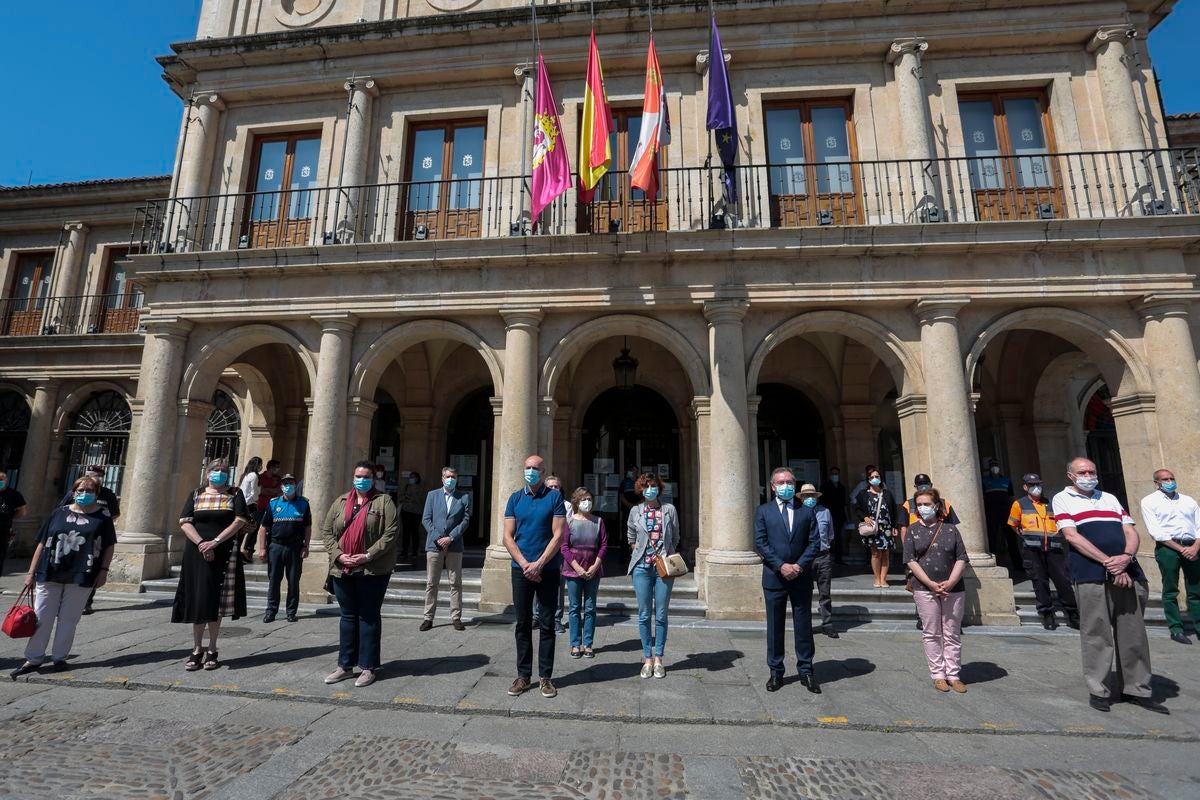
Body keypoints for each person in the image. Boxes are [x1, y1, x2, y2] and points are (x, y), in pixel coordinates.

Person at [1052, 457, 1166, 714]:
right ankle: (1099, 689)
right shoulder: (1062, 499)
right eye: (1083, 472)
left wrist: (1125, 558)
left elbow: (1131, 532)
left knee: (1133, 632)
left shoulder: (1110, 498)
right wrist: (1108, 562)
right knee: (1096, 632)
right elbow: (1072, 536)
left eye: (1092, 471)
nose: (1089, 475)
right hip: (1091, 573)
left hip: (1128, 570)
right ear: (1071, 475)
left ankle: (1137, 688)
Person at [9, 476, 115, 679]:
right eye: (80, 489)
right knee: (41, 617)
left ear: (96, 493)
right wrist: (30, 572)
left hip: (82, 572)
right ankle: (33, 658)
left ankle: (59, 657)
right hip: (49, 570)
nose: (84, 493)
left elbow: (109, 545)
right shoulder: (58, 513)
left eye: (89, 490)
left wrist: (104, 571)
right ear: (73, 492)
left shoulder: (103, 517)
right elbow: (42, 542)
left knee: (69, 618)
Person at [321, 461, 399, 688]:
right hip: (343, 568)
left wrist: (367, 555)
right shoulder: (341, 501)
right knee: (347, 618)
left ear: (373, 479)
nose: (361, 480)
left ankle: (368, 667)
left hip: (372, 570)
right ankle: (344, 666)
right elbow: (326, 531)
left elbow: (391, 533)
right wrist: (338, 554)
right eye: (358, 475)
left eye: (366, 476)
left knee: (368, 617)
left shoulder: (384, 502)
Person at [172, 458, 249, 672]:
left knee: (215, 601)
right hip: (197, 553)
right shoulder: (196, 494)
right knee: (198, 600)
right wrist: (201, 544)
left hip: (223, 552)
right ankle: (197, 649)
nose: (219, 473)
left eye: (224, 470)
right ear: (207, 473)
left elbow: (240, 520)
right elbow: (185, 521)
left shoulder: (235, 494)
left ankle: (213, 648)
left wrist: (215, 542)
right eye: (215, 470)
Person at [503, 454, 565, 698]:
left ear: (543, 471)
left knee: (548, 624)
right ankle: (523, 675)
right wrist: (525, 564)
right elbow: (508, 536)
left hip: (547, 570)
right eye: (527, 467)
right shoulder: (515, 498)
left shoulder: (554, 497)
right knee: (523, 623)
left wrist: (539, 564)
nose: (530, 471)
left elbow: (558, 535)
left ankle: (545, 678)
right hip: (521, 569)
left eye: (535, 468)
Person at [755, 468, 821, 693]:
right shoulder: (763, 511)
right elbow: (761, 542)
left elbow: (815, 543)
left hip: (800, 577)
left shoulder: (806, 512)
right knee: (775, 626)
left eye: (790, 482)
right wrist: (780, 566)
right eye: (781, 482)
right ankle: (776, 671)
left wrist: (799, 566)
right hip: (775, 577)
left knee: (804, 625)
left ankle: (806, 670)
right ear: (773, 486)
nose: (786, 485)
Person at [904, 487, 969, 693]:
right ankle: (938, 674)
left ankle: (953, 674)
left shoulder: (951, 529)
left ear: (937, 506)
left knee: (951, 632)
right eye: (920, 505)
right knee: (931, 632)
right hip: (924, 587)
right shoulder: (913, 530)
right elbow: (910, 560)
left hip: (953, 587)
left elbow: (961, 557)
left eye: (927, 504)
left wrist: (950, 581)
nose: (923, 508)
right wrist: (931, 584)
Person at [627, 471, 680, 680]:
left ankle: (659, 658)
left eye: (653, 485)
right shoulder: (635, 511)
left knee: (661, 614)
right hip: (641, 567)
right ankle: (647, 658)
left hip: (663, 568)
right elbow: (631, 534)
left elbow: (675, 536)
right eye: (646, 486)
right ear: (641, 489)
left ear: (659, 488)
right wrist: (637, 551)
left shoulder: (669, 510)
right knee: (643, 614)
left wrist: (665, 556)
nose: (650, 489)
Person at [1008, 473, 1078, 631]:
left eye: (1038, 484)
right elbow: (1013, 524)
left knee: (1063, 581)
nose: (1036, 488)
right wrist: (1024, 536)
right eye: (1032, 485)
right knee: (1039, 582)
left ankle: (1073, 613)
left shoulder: (1052, 503)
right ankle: (1046, 614)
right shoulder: (1019, 504)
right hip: (1033, 550)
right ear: (1025, 487)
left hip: (1054, 549)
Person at [1139, 468, 1200, 645]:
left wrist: (1195, 546)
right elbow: (1156, 531)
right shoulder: (1149, 502)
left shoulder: (1188, 500)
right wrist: (1181, 549)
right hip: (1169, 548)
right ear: (1156, 483)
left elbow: (1198, 524)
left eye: (1171, 478)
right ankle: (1176, 628)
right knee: (1171, 588)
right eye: (1164, 479)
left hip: (1192, 545)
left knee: (1196, 588)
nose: (1169, 481)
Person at [57, 465, 120, 614]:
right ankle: (62, 599)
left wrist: (99, 523)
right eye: (90, 474)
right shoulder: (73, 493)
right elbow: (61, 510)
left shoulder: (107, 494)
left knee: (91, 568)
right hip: (71, 538)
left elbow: (115, 514)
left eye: (96, 475)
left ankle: (86, 602)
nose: (93, 477)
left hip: (95, 539)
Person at [419, 466, 471, 632]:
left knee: (455, 583)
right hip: (434, 545)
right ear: (442, 478)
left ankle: (456, 617)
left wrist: (451, 537)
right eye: (448, 476)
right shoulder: (432, 495)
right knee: (432, 583)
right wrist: (438, 538)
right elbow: (426, 519)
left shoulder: (464, 497)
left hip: (454, 545)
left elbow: (466, 519)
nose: (451, 479)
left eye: (454, 477)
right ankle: (428, 617)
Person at [254, 473, 311, 624]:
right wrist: (262, 548)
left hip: (295, 547)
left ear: (295, 485)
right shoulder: (273, 503)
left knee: (293, 581)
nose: (288, 486)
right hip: (276, 546)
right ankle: (271, 611)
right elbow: (263, 528)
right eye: (285, 483)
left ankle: (291, 612)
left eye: (291, 483)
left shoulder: (304, 504)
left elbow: (307, 527)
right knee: (274, 581)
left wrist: (306, 545)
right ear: (281, 486)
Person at [561, 486, 607, 658]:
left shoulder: (598, 521)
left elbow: (603, 545)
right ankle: (575, 643)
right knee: (574, 608)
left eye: (589, 499)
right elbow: (564, 547)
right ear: (576, 502)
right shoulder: (569, 521)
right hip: (573, 569)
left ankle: (588, 643)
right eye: (583, 499)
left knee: (590, 608)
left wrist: (595, 566)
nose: (586, 502)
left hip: (593, 568)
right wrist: (578, 568)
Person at [799, 483, 837, 638]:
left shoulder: (825, 512)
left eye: (812, 496)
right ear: (801, 498)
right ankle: (804, 624)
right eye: (806, 496)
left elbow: (830, 534)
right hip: (805, 558)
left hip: (823, 556)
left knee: (825, 593)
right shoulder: (796, 513)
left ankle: (827, 623)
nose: (810, 498)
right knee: (804, 593)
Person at [853, 467, 898, 587]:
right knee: (875, 553)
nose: (874, 479)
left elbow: (893, 510)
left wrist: (894, 526)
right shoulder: (863, 494)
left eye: (877, 477)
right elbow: (857, 509)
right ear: (868, 479)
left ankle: (884, 578)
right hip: (872, 527)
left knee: (885, 553)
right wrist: (864, 517)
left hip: (886, 527)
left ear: (880, 478)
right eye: (872, 477)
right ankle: (877, 578)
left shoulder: (887, 493)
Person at [540, 474, 568, 634]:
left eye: (556, 487)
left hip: (560, 552)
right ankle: (537, 616)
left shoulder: (568, 506)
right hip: (541, 549)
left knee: (558, 586)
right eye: (550, 487)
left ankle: (556, 619)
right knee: (536, 581)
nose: (553, 489)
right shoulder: (539, 503)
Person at [898, 473, 960, 542]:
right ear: (915, 487)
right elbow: (903, 529)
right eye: (919, 505)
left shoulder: (944, 503)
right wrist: (906, 548)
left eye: (927, 504)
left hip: (941, 540)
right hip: (917, 541)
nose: (923, 487)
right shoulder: (908, 504)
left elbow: (952, 527)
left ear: (931, 485)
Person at [982, 458, 1016, 570]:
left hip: (1006, 512)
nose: (994, 467)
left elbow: (1011, 496)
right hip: (991, 512)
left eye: (996, 465)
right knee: (992, 537)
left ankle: (1017, 563)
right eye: (992, 465)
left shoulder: (1006, 480)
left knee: (1011, 538)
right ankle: (994, 562)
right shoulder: (985, 481)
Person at [0, 470, 29, 575]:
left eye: (1, 480)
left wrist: (10, 517)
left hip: (3, 530)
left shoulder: (14, 494)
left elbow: (22, 511)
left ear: (6, 481)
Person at [818, 467, 847, 565]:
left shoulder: (842, 487)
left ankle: (838, 558)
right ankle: (827, 557)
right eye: (833, 474)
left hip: (839, 516)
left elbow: (844, 503)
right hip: (828, 515)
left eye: (837, 474)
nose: (835, 476)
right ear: (830, 475)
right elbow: (822, 501)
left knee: (839, 538)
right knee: (827, 537)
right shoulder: (825, 487)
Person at [238, 457, 263, 562]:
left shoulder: (246, 475)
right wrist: (256, 499)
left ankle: (242, 550)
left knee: (243, 528)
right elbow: (253, 492)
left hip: (244, 503)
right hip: (250, 504)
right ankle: (247, 549)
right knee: (253, 527)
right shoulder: (254, 475)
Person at [398, 470, 423, 563]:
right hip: (406, 511)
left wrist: (410, 498)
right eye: (410, 477)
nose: (411, 479)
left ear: (417, 478)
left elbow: (420, 499)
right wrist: (407, 498)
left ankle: (415, 551)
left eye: (413, 477)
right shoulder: (406, 486)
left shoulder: (420, 488)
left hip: (416, 512)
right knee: (406, 532)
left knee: (415, 532)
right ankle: (404, 550)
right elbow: (402, 497)